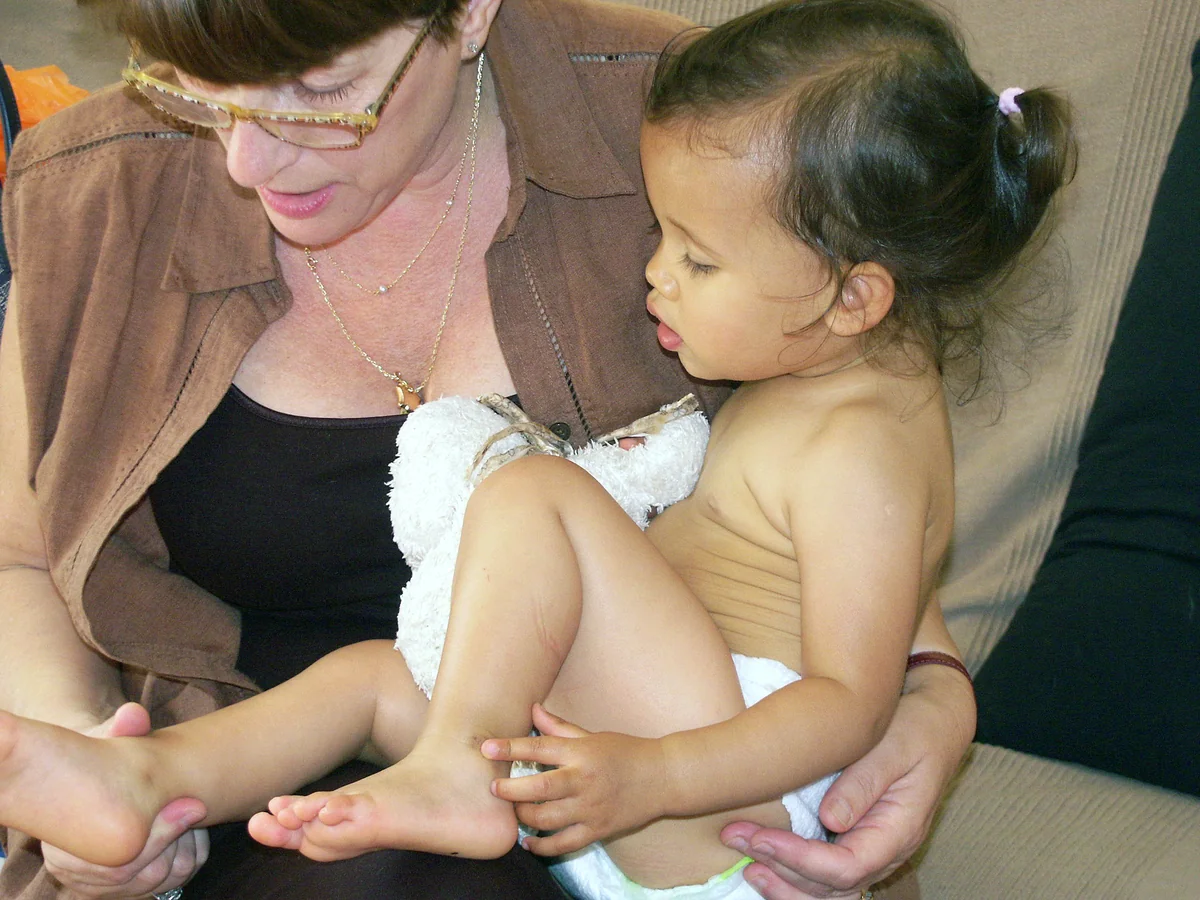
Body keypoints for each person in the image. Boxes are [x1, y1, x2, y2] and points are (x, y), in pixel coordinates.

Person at [0, 0, 1068, 897]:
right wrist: (79, 731)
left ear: (468, 11)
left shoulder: (723, 137)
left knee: (530, 494)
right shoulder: (91, 191)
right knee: (363, 684)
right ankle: (142, 783)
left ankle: (450, 772)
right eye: (198, 82)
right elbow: (16, 555)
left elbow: (855, 549)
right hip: (452, 771)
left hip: (698, 789)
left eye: (323, 89)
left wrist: (936, 691)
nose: (247, 156)